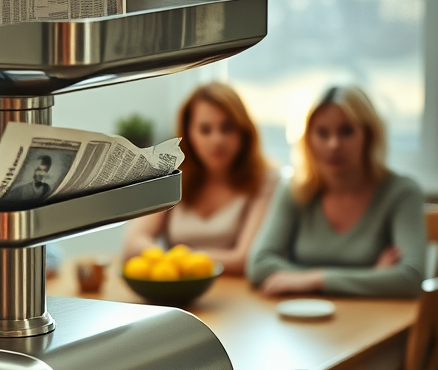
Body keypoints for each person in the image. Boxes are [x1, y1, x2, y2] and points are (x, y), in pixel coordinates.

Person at [247, 85, 425, 298]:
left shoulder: (403, 193)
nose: (333, 145)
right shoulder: (294, 189)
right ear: (307, 139)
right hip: (302, 320)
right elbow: (258, 265)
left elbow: (411, 278)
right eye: (322, 133)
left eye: (346, 131)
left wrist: (312, 280)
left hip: (377, 321)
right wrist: (371, 278)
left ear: (368, 135)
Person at [123, 82, 276, 273]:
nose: (217, 140)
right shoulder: (170, 174)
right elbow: (133, 241)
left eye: (227, 128)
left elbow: (245, 258)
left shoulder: (266, 179)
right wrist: (172, 260)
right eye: (205, 129)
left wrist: (175, 260)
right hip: (178, 293)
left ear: (243, 131)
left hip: (238, 297)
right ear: (188, 134)